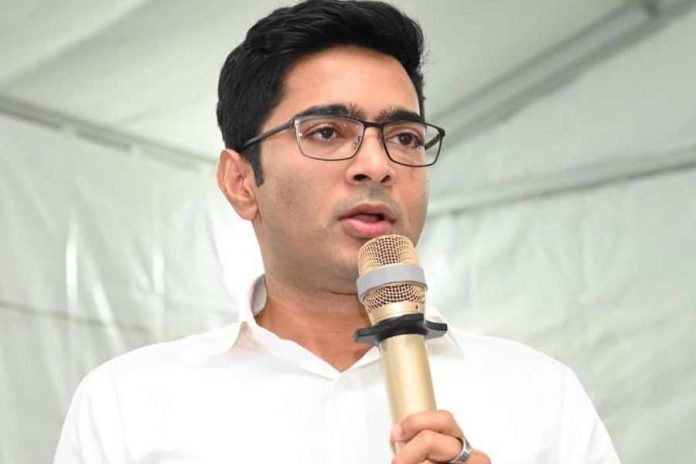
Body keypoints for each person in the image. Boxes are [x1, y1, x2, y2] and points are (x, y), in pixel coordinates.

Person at [54, 1, 622, 463]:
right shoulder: (130, 403)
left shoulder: (539, 395)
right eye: (327, 132)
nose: (377, 164)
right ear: (241, 182)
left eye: (404, 138)